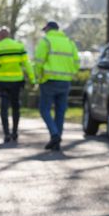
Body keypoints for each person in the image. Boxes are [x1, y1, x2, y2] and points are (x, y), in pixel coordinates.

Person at [33, 20, 79, 151]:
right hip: (65, 81)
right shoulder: (69, 42)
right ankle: (56, 142)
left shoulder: (46, 41)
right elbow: (76, 62)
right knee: (60, 111)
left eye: (45, 30)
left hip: (49, 80)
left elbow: (39, 61)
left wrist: (38, 77)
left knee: (44, 109)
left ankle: (54, 135)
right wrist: (70, 74)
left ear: (48, 28)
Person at [0, 27, 34, 144]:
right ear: (8, 35)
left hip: (2, 82)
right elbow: (27, 63)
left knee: (4, 107)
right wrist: (32, 78)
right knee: (16, 107)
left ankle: (6, 133)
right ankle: (15, 132)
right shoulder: (19, 46)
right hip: (17, 81)